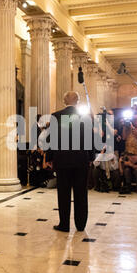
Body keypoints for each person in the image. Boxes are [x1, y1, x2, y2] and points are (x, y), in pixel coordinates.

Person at [46, 91, 94, 232]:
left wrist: (49, 158)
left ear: (64, 101)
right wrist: (90, 157)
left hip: (63, 160)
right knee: (81, 193)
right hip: (81, 160)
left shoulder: (56, 116)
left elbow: (52, 140)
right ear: (78, 101)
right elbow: (90, 139)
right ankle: (80, 225)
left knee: (63, 193)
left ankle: (64, 224)